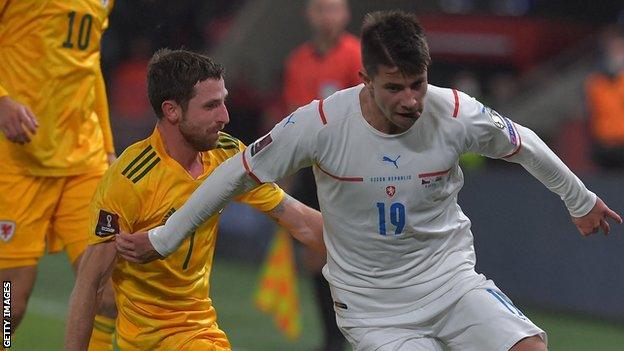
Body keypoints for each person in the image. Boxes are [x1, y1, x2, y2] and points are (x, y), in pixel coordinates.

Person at [119, 11, 622, 351]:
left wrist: (579, 201)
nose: (410, 99)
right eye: (394, 87)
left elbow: (524, 143)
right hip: (373, 307)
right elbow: (234, 174)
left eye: (418, 83)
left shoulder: (453, 112)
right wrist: (165, 237)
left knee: (531, 347)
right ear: (364, 79)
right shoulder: (319, 124)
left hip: (451, 283)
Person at [65, 49, 324, 351]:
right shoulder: (129, 180)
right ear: (172, 111)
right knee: (12, 304)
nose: (225, 116)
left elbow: (300, 222)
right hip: (148, 340)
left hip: (200, 331)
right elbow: (91, 284)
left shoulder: (226, 155)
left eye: (223, 101)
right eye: (211, 106)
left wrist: (371, 246)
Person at [0, 1, 117, 349]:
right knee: (10, 305)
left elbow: (88, 63)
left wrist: (108, 148)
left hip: (85, 160)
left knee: (110, 294)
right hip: (18, 160)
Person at [282, 0, 359, 349]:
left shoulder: (357, 56)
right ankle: (332, 336)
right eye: (319, 9)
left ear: (345, 14)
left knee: (352, 257)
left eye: (333, 9)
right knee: (314, 256)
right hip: (311, 173)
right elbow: (291, 123)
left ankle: (357, 331)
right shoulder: (297, 60)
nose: (326, 16)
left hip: (349, 173)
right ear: (307, 14)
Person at [585, 29, 624, 170]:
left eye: (620, 50)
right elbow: (590, 114)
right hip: (604, 144)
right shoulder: (595, 83)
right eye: (613, 50)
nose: (617, 54)